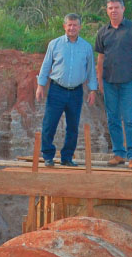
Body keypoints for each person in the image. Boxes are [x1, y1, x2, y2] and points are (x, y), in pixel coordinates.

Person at [36, 13, 97, 167]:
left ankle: (67, 157)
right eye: (69, 25)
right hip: (57, 90)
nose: (72, 28)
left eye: (75, 25)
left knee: (73, 126)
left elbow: (91, 71)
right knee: (50, 124)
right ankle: (48, 156)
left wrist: (92, 90)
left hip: (76, 92)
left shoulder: (86, 47)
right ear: (64, 26)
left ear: (80, 27)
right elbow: (46, 66)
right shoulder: (54, 44)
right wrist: (40, 86)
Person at [95, 0, 132, 170]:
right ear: (107, 10)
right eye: (110, 8)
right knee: (113, 120)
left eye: (116, 7)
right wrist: (99, 80)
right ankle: (119, 153)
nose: (113, 11)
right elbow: (100, 59)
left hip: (128, 82)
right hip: (109, 82)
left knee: (130, 120)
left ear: (123, 9)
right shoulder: (103, 32)